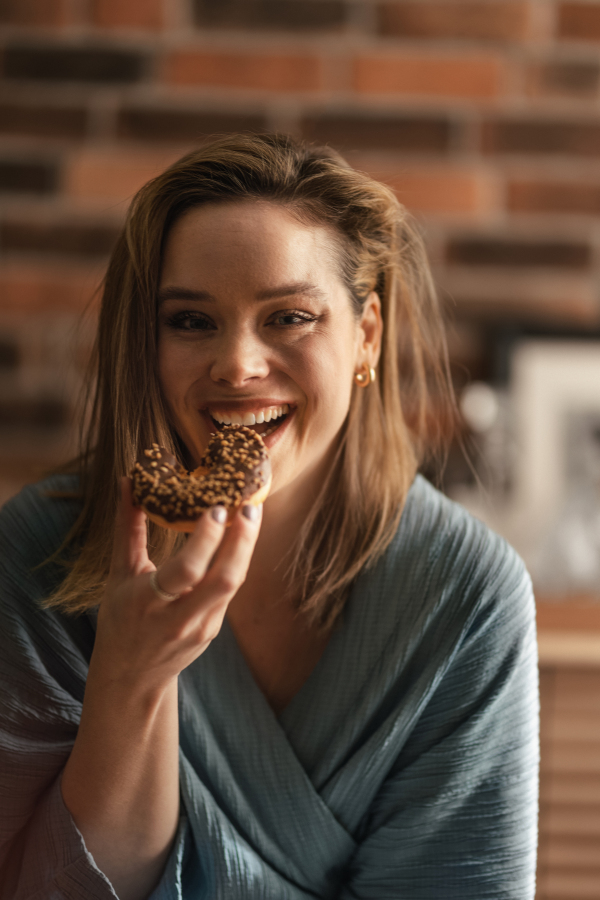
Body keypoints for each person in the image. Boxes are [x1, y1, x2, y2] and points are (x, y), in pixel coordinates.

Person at [0, 133, 538, 900]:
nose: (238, 366)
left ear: (367, 335)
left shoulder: (465, 596)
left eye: (288, 317)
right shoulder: (39, 552)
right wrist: (129, 677)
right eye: (190, 321)